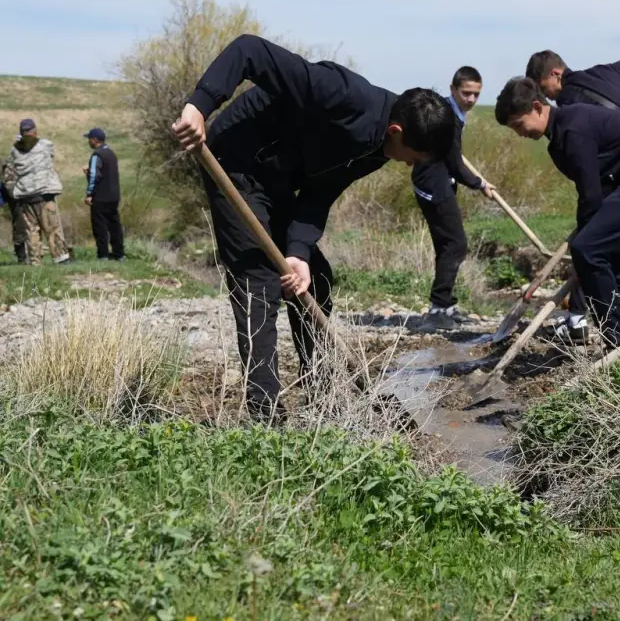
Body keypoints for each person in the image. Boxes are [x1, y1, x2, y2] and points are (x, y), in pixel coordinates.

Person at [170, 34, 455, 422]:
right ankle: (266, 415)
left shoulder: (379, 148)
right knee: (258, 282)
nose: (411, 166)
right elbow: (249, 50)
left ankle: (324, 394)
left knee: (314, 279)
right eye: (414, 157)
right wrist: (199, 106)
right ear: (396, 132)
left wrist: (298, 252)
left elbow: (321, 191)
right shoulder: (342, 95)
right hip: (235, 160)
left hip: (278, 178)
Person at [495, 77, 620, 350]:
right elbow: (598, 188)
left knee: (588, 250)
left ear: (537, 107)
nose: (520, 133)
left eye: (518, 125)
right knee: (618, 273)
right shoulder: (561, 134)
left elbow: (591, 196)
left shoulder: (573, 129)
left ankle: (618, 345)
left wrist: (583, 252)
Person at [411, 66, 494, 330]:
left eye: (476, 95)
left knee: (446, 245)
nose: (470, 99)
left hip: (438, 181)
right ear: (452, 89)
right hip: (433, 185)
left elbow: (453, 159)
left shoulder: (449, 111)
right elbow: (456, 164)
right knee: (456, 245)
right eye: (466, 93)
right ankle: (438, 308)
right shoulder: (447, 117)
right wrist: (480, 183)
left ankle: (444, 305)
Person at [2, 119, 71, 266]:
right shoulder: (45, 145)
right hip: (44, 194)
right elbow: (50, 155)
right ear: (35, 131)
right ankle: (61, 259)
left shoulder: (15, 150)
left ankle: (35, 261)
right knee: (52, 227)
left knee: (32, 231)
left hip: (26, 196)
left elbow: (9, 172)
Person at [82, 127, 125, 261]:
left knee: (100, 226)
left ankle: (103, 255)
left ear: (95, 140)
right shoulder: (111, 153)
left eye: (89, 138)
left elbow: (95, 175)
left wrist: (89, 194)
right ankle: (119, 253)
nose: (88, 141)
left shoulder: (97, 155)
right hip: (114, 196)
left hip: (100, 197)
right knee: (114, 225)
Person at [0, 181, 28, 264]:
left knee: (21, 224)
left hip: (22, 191)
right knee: (20, 224)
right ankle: (22, 257)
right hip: (15, 192)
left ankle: (24, 257)